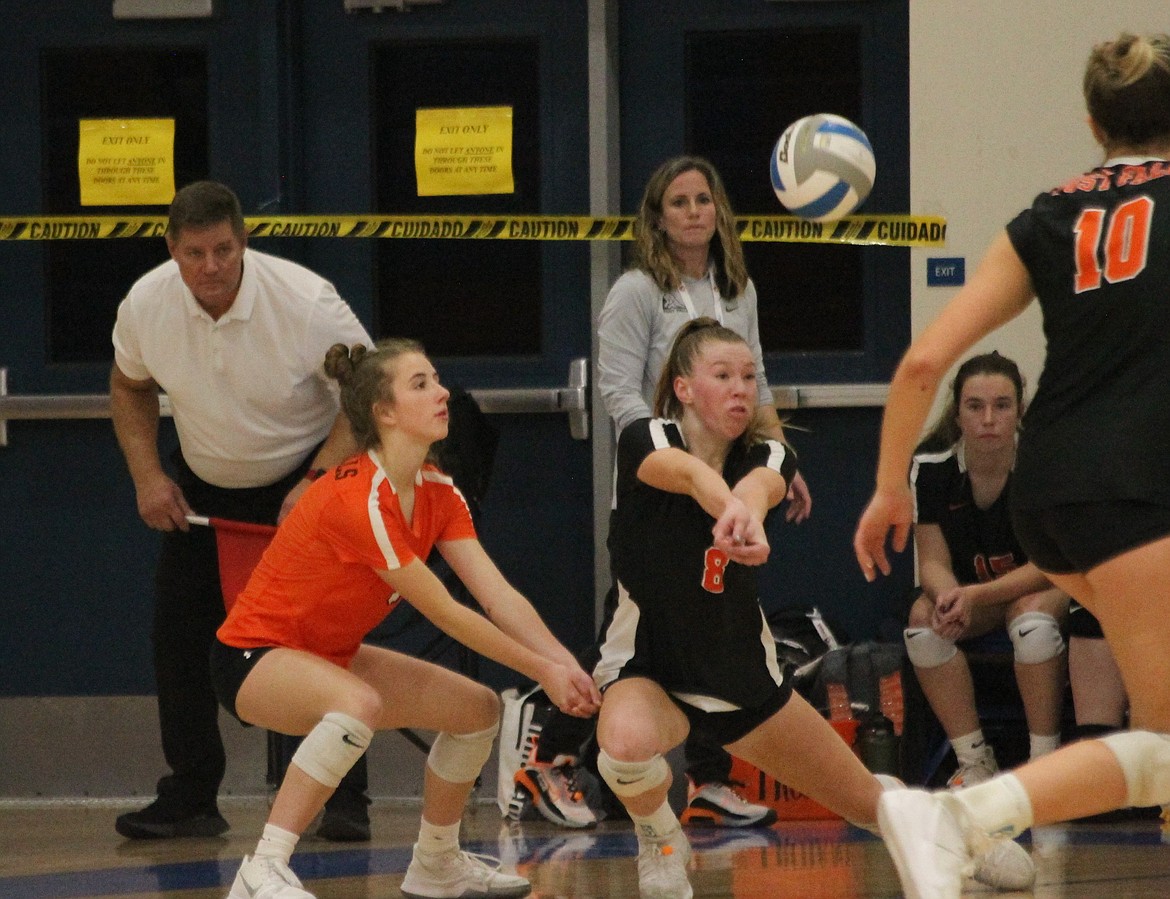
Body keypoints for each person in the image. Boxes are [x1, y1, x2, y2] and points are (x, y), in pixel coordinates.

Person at [853, 32, 1170, 898]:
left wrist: (888, 486)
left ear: (1092, 121)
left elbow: (924, 365)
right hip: (1137, 483)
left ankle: (968, 811)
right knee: (1167, 750)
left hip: (1055, 487)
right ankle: (957, 816)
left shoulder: (1050, 213)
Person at [596, 319, 1032, 899]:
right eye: (722, 375)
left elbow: (762, 484)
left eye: (749, 377)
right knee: (623, 746)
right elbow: (685, 472)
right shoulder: (645, 437)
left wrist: (745, 508)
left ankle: (957, 834)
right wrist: (724, 503)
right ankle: (661, 841)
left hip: (738, 671)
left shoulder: (770, 452)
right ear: (682, 388)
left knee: (862, 804)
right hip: (646, 661)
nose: (740, 389)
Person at [214, 338, 601, 899]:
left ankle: (436, 864)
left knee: (477, 710)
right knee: (359, 706)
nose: (443, 392)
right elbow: (445, 612)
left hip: (331, 655)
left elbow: (499, 598)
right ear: (384, 412)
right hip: (251, 658)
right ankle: (263, 869)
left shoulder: (439, 492)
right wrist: (543, 672)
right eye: (421, 384)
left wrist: (567, 666)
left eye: (437, 379)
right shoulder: (360, 499)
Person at [110, 180, 374, 840]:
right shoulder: (145, 303)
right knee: (178, 643)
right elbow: (129, 385)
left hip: (302, 482)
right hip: (203, 488)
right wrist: (147, 475)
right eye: (194, 252)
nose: (211, 266)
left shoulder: (307, 302)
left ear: (243, 241)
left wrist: (317, 478)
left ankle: (342, 796)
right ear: (171, 249)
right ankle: (193, 793)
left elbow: (368, 398)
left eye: (224, 250)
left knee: (317, 644)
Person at [592, 154, 811, 829]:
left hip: (726, 462)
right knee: (646, 607)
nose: (693, 211)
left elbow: (758, 378)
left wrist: (779, 460)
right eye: (678, 201)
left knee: (723, 603)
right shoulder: (636, 289)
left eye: (703, 199)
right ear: (657, 217)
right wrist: (657, 454)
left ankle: (712, 777)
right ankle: (596, 765)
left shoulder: (736, 288)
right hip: (660, 470)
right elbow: (618, 389)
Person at [905, 351, 1068, 787]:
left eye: (1002, 405)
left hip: (1042, 586)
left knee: (1030, 620)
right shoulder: (932, 465)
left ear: (1019, 411)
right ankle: (975, 760)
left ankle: (1044, 764)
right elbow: (933, 561)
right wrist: (947, 598)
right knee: (923, 623)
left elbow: (1053, 566)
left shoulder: (1046, 463)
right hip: (974, 595)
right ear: (957, 414)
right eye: (975, 406)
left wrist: (973, 596)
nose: (989, 418)